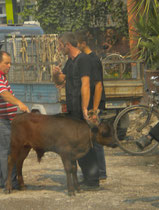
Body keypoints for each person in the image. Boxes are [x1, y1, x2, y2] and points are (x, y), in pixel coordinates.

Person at [53, 32, 100, 188]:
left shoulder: (84, 60)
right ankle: (87, 177)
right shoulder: (70, 61)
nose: (59, 49)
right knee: (77, 145)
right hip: (72, 110)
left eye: (60, 45)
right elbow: (60, 81)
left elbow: (86, 85)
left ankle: (93, 180)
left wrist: (85, 109)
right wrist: (56, 74)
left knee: (86, 145)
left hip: (81, 110)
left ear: (67, 45)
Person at [0, 51, 30, 189]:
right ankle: (11, 182)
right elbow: (3, 94)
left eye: (10, 63)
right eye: (6, 63)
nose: (9, 66)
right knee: (7, 152)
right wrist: (19, 103)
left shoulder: (0, 76)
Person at [75, 30, 107, 181]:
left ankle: (101, 172)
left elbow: (98, 86)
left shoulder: (92, 60)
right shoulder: (84, 59)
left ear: (83, 44)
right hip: (90, 105)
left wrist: (94, 109)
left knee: (96, 139)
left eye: (77, 43)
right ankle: (98, 171)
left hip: (95, 105)